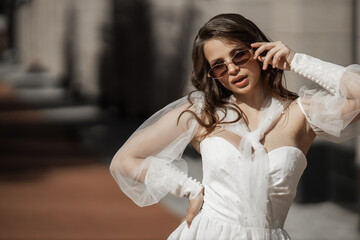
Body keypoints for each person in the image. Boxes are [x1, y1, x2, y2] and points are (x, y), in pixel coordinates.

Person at [109, 13, 360, 239]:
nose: (232, 68)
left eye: (239, 54)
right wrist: (190, 189)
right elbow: (125, 160)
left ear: (259, 50)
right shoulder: (201, 113)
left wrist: (297, 61)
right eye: (219, 65)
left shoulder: (301, 113)